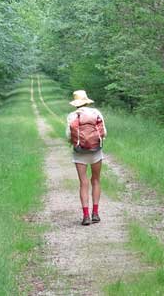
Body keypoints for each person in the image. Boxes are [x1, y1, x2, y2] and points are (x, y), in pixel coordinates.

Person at [66, 90, 107, 226]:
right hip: (96, 152)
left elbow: (68, 136)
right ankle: (95, 213)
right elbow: (104, 132)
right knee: (95, 180)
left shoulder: (72, 115)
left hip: (79, 153)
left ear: (76, 103)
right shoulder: (96, 113)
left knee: (83, 183)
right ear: (86, 101)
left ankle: (85, 216)